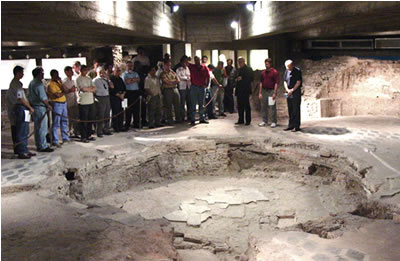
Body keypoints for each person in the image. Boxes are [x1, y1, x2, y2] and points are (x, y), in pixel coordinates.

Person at [6, 65, 36, 159]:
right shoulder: (15, 84)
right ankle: (21, 151)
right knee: (21, 130)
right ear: (17, 73)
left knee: (25, 129)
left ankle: (24, 149)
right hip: (20, 108)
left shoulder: (18, 83)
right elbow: (21, 98)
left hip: (23, 108)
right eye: (22, 72)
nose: (23, 74)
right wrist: (30, 107)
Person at [27, 67, 54, 152]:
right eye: (42, 73)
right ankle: (43, 145)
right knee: (42, 127)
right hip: (40, 107)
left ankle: (39, 144)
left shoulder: (32, 83)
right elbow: (42, 97)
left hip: (35, 106)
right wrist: (48, 105)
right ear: (38, 74)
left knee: (38, 127)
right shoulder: (38, 84)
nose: (43, 74)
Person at [47, 69, 70, 147]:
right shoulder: (50, 85)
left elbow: (65, 90)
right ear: (52, 76)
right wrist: (65, 92)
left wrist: (61, 84)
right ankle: (55, 140)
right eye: (55, 75)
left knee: (64, 121)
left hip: (63, 103)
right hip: (57, 104)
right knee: (56, 122)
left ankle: (65, 137)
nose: (57, 76)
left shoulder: (59, 83)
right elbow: (57, 95)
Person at [76, 65, 96, 142]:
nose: (86, 72)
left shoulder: (89, 78)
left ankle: (89, 134)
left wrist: (88, 89)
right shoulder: (78, 79)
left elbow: (94, 88)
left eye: (86, 70)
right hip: (83, 102)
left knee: (90, 119)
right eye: (84, 70)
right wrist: (89, 88)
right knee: (84, 120)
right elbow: (82, 89)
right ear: (81, 70)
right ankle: (83, 136)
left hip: (91, 101)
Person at [188, 56, 210, 125]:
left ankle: (202, 118)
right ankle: (193, 119)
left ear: (200, 60)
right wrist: (188, 59)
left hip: (201, 87)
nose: (196, 61)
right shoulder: (192, 66)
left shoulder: (204, 67)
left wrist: (206, 85)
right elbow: (186, 62)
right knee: (193, 104)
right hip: (194, 87)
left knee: (202, 103)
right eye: (195, 60)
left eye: (197, 60)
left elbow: (208, 76)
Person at [258, 58, 279, 128]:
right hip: (264, 90)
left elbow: (276, 83)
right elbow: (261, 83)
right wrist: (260, 93)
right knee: (264, 106)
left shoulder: (274, 72)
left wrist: (274, 93)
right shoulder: (263, 73)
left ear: (270, 64)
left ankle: (273, 121)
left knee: (272, 106)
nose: (266, 65)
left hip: (271, 91)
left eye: (267, 64)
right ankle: (264, 120)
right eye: (265, 64)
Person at [93, 66, 113, 137]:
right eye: (100, 72)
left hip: (106, 96)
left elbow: (112, 86)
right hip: (100, 98)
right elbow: (94, 91)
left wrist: (108, 79)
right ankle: (99, 130)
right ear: (97, 72)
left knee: (107, 114)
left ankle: (106, 129)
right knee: (100, 114)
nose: (102, 74)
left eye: (103, 72)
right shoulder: (95, 80)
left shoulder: (105, 80)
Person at [283, 59, 302, 132]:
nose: (287, 68)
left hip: (295, 92)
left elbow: (298, 82)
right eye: (286, 67)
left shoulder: (297, 71)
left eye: (288, 66)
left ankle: (296, 126)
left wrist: (292, 90)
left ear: (292, 65)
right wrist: (287, 90)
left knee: (295, 109)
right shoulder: (286, 71)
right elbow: (285, 81)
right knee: (290, 108)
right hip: (288, 92)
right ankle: (290, 125)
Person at [160, 60, 181, 125]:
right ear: (164, 65)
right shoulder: (163, 73)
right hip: (167, 90)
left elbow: (178, 80)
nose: (169, 66)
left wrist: (172, 81)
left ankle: (178, 119)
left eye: (170, 65)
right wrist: (173, 81)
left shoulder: (173, 72)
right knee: (168, 105)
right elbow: (166, 81)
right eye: (167, 65)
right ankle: (169, 120)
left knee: (177, 104)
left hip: (175, 89)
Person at [235, 57, 254, 126]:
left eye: (241, 62)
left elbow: (251, 78)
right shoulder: (239, 70)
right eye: (238, 62)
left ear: (244, 61)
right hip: (239, 90)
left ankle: (248, 120)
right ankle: (241, 119)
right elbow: (235, 77)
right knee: (240, 105)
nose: (240, 64)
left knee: (246, 105)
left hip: (245, 90)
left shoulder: (248, 69)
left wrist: (242, 78)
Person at [122, 61, 141, 130]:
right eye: (128, 66)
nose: (130, 67)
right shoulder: (124, 74)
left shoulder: (135, 73)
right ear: (126, 66)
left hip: (135, 92)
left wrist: (131, 80)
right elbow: (127, 81)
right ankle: (127, 124)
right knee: (128, 109)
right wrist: (134, 79)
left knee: (136, 109)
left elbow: (138, 80)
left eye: (131, 66)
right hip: (128, 93)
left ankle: (136, 123)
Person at [63, 66, 80, 138]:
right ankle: (68, 132)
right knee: (69, 118)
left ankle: (75, 131)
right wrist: (70, 90)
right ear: (66, 72)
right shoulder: (64, 81)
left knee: (76, 117)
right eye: (70, 71)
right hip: (68, 102)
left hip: (75, 101)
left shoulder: (73, 81)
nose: (72, 72)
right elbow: (65, 91)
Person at [109, 65, 126, 132]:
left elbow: (124, 88)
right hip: (115, 97)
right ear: (113, 71)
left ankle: (121, 125)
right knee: (115, 112)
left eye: (119, 71)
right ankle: (115, 127)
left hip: (121, 97)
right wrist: (119, 95)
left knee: (121, 112)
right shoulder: (111, 79)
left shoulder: (120, 79)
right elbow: (112, 90)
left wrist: (123, 95)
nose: (118, 72)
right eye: (117, 71)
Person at [176, 56, 192, 122]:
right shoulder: (179, 69)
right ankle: (182, 117)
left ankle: (189, 116)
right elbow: (179, 77)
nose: (186, 63)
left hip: (188, 86)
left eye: (187, 62)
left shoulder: (188, 68)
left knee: (189, 102)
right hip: (182, 87)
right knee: (182, 102)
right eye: (185, 62)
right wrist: (186, 78)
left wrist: (188, 78)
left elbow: (190, 76)